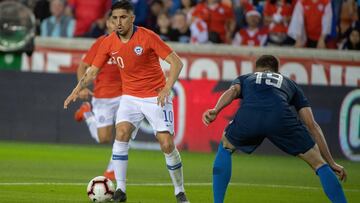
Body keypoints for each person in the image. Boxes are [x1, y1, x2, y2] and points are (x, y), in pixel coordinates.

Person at [64, 1, 189, 203]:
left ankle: (179, 190)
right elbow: (92, 71)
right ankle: (121, 190)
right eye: (115, 18)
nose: (118, 22)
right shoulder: (107, 42)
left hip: (155, 97)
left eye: (123, 17)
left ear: (132, 18)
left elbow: (176, 62)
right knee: (121, 134)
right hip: (129, 97)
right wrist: (76, 90)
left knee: (166, 144)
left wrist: (167, 87)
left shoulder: (147, 36)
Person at [202, 55, 347, 203]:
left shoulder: (247, 77)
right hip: (280, 116)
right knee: (318, 162)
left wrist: (216, 110)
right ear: (276, 70)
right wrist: (331, 162)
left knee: (225, 146)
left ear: (257, 68)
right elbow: (312, 125)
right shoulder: (290, 83)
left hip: (250, 115)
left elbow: (233, 91)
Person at [73, 13, 122, 181]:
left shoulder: (129, 42)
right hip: (103, 96)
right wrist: (81, 88)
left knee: (125, 132)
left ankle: (111, 170)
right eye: (113, 20)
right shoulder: (101, 43)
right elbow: (83, 66)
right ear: (107, 23)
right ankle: (87, 113)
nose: (117, 23)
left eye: (120, 19)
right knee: (104, 138)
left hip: (126, 96)